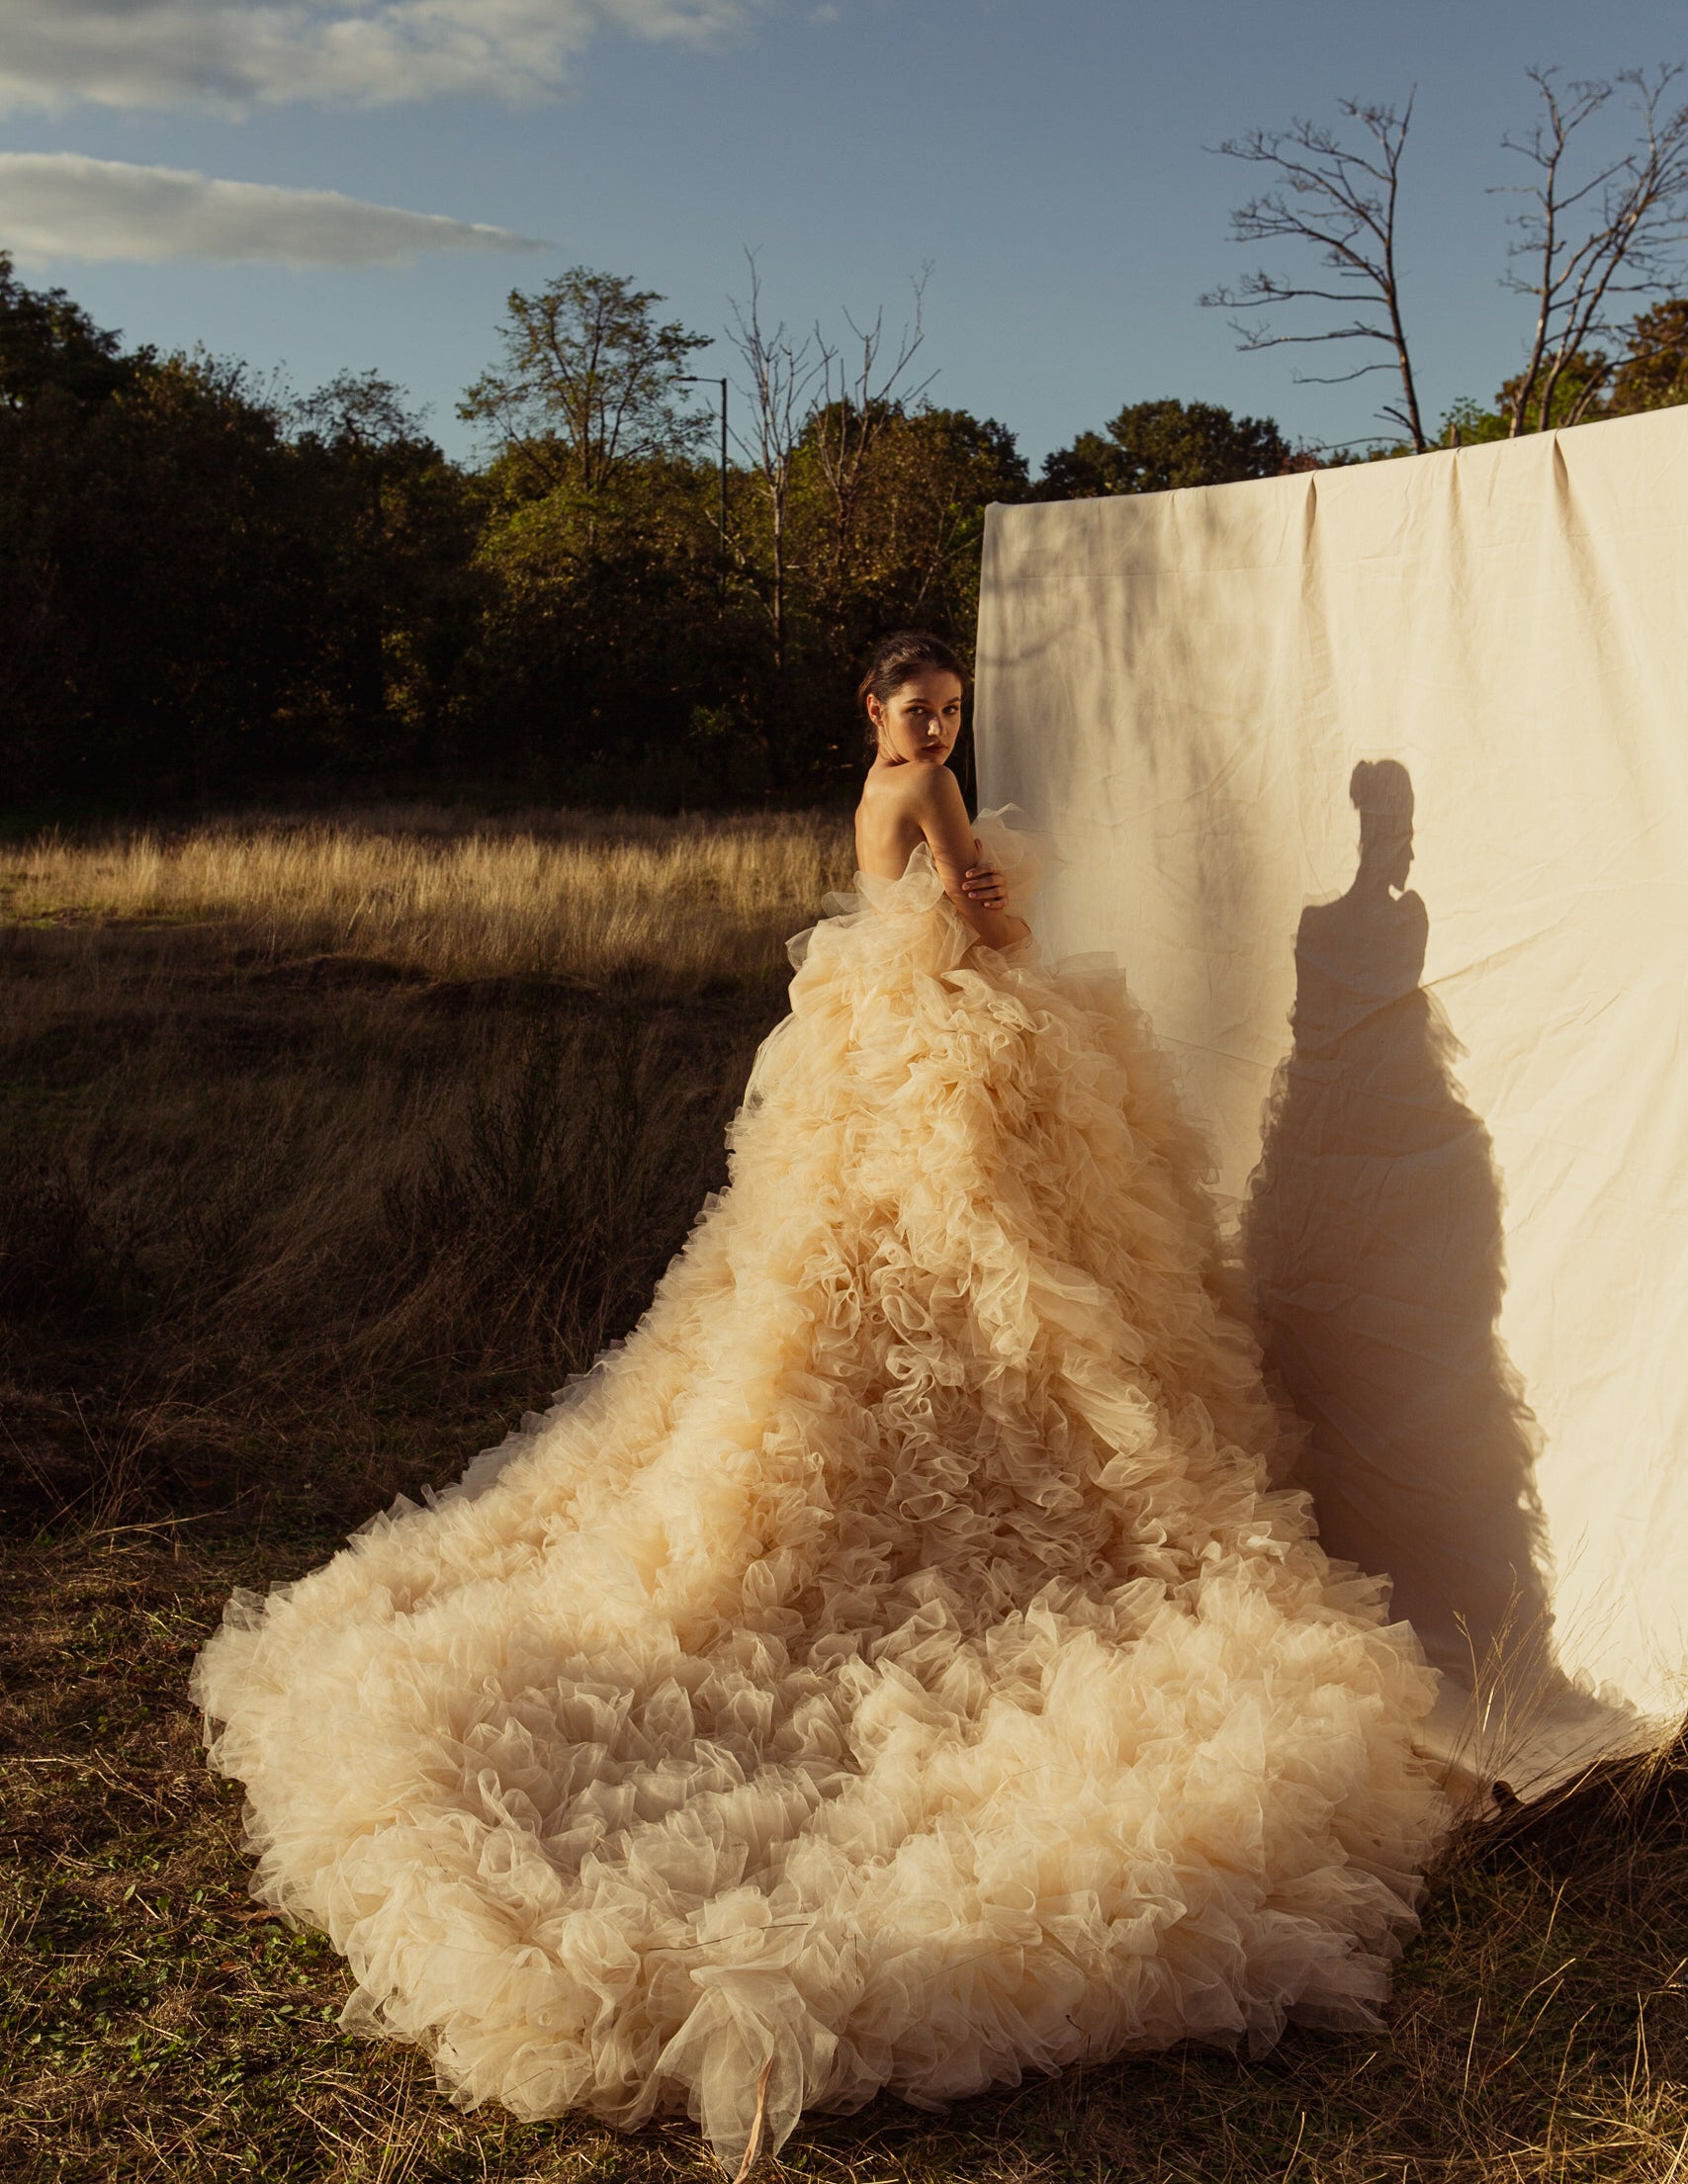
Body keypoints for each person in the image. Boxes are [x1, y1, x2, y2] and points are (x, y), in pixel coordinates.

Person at [192, 632, 1450, 2180]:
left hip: (879, 1046)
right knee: (966, 1280)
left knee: (937, 1290)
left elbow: (920, 911)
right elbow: (986, 915)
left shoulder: (880, 786)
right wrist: (991, 891)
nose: (933, 723)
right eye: (915, 706)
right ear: (876, 712)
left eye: (947, 705)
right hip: (937, 1048)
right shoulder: (922, 789)